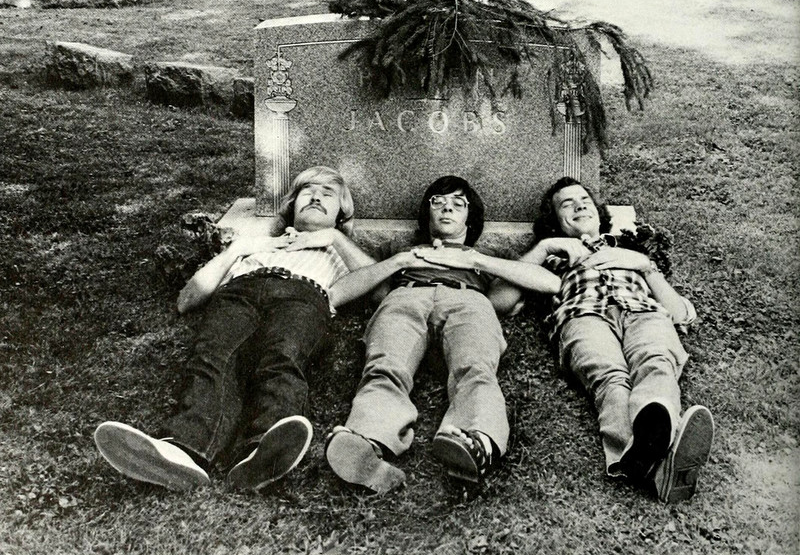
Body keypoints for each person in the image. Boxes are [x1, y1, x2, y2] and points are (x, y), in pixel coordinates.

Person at [94, 166, 375, 491]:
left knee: (283, 356)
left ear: (341, 213)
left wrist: (335, 238)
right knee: (213, 358)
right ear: (292, 205)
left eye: (328, 194)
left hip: (304, 295)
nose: (315, 197)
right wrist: (237, 250)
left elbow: (381, 288)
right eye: (307, 191)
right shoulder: (257, 244)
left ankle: (263, 449)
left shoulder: (340, 250)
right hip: (240, 291)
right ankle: (183, 450)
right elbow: (187, 299)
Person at [324, 175, 560, 493]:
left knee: (475, 367)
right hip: (406, 296)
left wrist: (474, 260)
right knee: (385, 365)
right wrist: (400, 261)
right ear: (428, 212)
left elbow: (537, 288)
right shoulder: (400, 248)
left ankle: (477, 440)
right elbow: (373, 289)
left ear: (470, 218)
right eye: (438, 202)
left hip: (468, 300)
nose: (447, 208)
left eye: (458, 203)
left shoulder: (485, 252)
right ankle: (368, 439)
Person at [492, 176, 714, 503]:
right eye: (567, 204)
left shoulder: (630, 250)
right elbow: (498, 300)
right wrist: (543, 248)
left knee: (656, 362)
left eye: (585, 200)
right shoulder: (550, 259)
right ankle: (660, 461)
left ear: (598, 212)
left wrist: (645, 267)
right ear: (555, 221)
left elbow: (681, 314)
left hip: (643, 312)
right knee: (610, 378)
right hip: (582, 316)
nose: (579, 206)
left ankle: (651, 429)